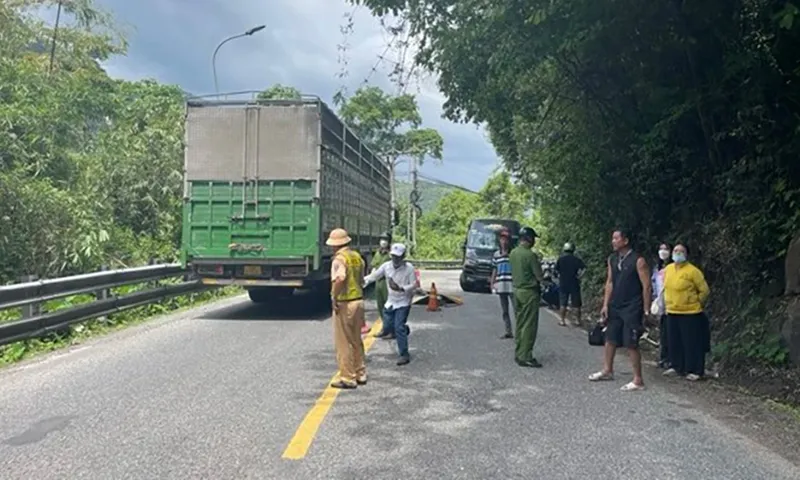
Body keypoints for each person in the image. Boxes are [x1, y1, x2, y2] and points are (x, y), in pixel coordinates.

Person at [588, 228, 652, 391]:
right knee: (610, 338)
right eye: (612, 238)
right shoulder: (612, 259)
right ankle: (607, 370)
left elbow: (646, 286)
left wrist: (646, 309)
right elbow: (609, 282)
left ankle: (638, 379)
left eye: (616, 238)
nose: (613, 241)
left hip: (632, 306)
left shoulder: (638, 260)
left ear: (625, 240)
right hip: (615, 304)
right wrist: (605, 304)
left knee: (631, 342)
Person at [662, 243, 711, 381]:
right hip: (672, 310)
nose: (678, 253)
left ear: (686, 254)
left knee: (691, 342)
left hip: (690, 312)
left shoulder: (693, 271)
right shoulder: (669, 269)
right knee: (674, 341)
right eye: (676, 251)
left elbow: (704, 290)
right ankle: (677, 366)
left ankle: (695, 370)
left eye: (681, 251)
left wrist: (695, 302)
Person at [363, 243, 418, 365]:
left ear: (403, 256)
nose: (395, 259)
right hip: (391, 301)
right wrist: (362, 281)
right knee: (387, 326)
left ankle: (404, 354)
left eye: (398, 257)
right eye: (393, 256)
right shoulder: (387, 266)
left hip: (404, 301)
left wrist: (401, 288)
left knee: (398, 326)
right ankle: (404, 330)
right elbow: (375, 276)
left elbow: (414, 285)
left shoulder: (409, 268)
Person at [327, 228, 367, 389]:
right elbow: (362, 279)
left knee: (343, 342)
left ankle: (347, 377)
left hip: (345, 303)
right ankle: (360, 373)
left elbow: (340, 278)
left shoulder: (339, 259)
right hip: (358, 301)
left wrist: (334, 296)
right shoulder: (357, 257)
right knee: (356, 340)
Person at [509, 226, 545, 368]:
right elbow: (539, 276)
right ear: (529, 238)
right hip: (529, 292)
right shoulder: (530, 255)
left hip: (516, 290)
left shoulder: (513, 253)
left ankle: (518, 353)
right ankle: (526, 356)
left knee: (520, 323)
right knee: (529, 325)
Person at [490, 228, 515, 339]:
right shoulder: (496, 255)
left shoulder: (513, 254)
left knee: (516, 309)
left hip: (512, 284)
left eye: (506, 239)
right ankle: (508, 330)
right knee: (505, 310)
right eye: (502, 239)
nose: (504, 242)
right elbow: (494, 269)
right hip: (501, 285)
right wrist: (492, 282)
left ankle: (519, 332)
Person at [651, 243, 672, 369]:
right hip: (660, 305)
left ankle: (671, 359)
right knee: (663, 333)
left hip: (672, 304)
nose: (663, 251)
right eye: (661, 249)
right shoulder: (657, 268)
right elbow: (654, 285)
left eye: (666, 249)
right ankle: (663, 357)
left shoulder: (674, 267)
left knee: (671, 333)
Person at [555, 242, 586, 327]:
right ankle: (578, 321)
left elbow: (556, 270)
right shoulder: (576, 259)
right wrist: (579, 276)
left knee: (563, 303)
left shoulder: (560, 259)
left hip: (563, 283)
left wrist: (560, 276)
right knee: (576, 303)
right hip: (574, 282)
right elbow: (584, 269)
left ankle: (562, 320)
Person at [370, 231, 393, 338]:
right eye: (381, 239)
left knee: (389, 307)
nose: (383, 242)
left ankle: (391, 329)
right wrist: (369, 278)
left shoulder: (391, 254)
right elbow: (374, 266)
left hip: (387, 282)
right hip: (378, 282)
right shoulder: (378, 253)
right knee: (380, 305)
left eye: (385, 240)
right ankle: (385, 328)